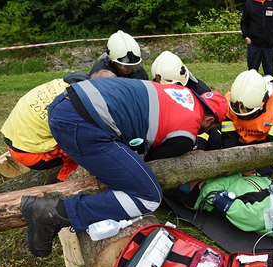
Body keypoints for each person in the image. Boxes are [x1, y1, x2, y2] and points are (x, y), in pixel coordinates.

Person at [19, 77, 228, 257]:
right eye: (210, 127)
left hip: (66, 103)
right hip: (80, 124)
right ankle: (53, 214)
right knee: (148, 196)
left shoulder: (180, 92)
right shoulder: (185, 134)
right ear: (209, 119)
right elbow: (151, 163)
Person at [0, 71, 113, 181]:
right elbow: (77, 137)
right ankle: (68, 178)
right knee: (86, 141)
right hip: (29, 154)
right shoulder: (72, 106)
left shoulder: (63, 83)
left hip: (12, 136)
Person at [183, 173, 273, 237]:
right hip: (222, 174)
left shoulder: (262, 215)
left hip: (198, 190)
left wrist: (209, 179)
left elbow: (211, 194)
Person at [221, 69, 273, 175]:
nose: (242, 117)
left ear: (263, 102)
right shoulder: (228, 104)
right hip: (240, 142)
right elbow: (229, 140)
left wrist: (260, 172)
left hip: (264, 141)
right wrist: (235, 166)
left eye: (247, 112)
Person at [151, 50, 221, 150]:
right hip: (170, 131)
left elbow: (207, 124)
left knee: (215, 137)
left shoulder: (200, 91)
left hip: (198, 132)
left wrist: (199, 142)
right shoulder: (155, 91)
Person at [240, 0, 273, 77]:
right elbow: (244, 22)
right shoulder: (249, 3)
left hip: (269, 45)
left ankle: (270, 87)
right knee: (252, 72)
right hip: (253, 44)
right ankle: (252, 88)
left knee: (269, 73)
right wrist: (246, 36)